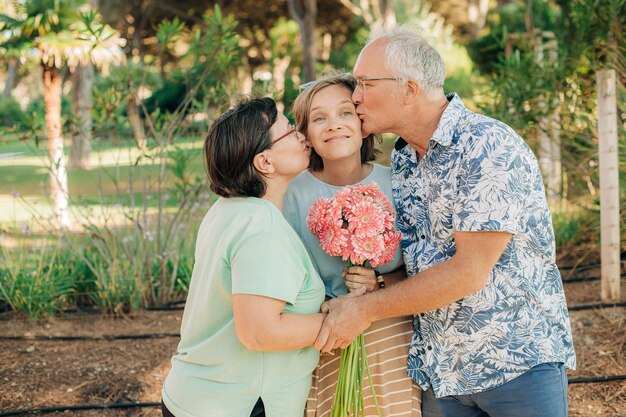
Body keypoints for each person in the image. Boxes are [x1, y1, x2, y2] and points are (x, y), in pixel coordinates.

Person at [314, 27, 576, 417]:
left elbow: (469, 272)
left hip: (515, 367)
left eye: (366, 83)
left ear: (410, 88)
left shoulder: (487, 146)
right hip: (441, 373)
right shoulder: (403, 160)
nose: (355, 97)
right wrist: (381, 283)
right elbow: (426, 261)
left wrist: (366, 310)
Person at [161, 97, 327, 417]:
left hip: (192, 398)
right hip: (239, 405)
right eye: (290, 130)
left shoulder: (227, 210)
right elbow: (258, 332)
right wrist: (339, 320)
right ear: (264, 162)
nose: (302, 134)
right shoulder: (260, 225)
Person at [284, 72, 422, 417]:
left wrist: (378, 283)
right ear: (306, 136)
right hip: (325, 337)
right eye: (319, 118)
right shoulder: (291, 195)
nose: (334, 125)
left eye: (345, 113)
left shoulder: (397, 184)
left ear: (364, 124)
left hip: (390, 335)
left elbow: (423, 271)